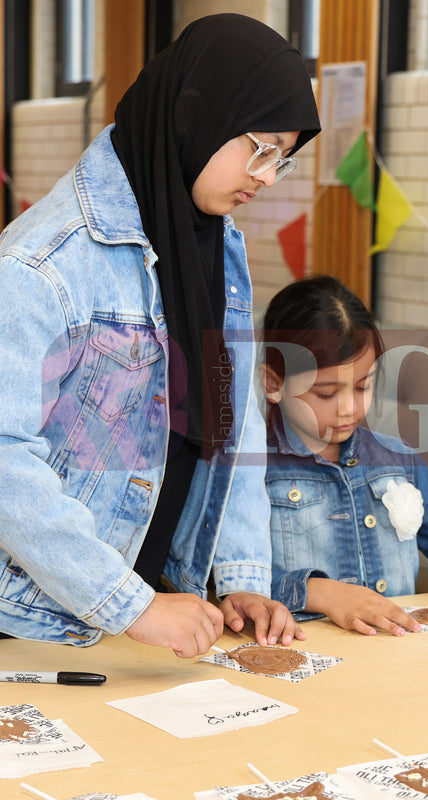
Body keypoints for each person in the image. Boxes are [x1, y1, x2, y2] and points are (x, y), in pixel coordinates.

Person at [0, 14, 320, 655]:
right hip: (37, 619)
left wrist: (242, 576)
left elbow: (234, 421)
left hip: (154, 604)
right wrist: (130, 603)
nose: (266, 175)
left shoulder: (215, 242)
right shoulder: (44, 262)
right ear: (196, 114)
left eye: (282, 160)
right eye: (260, 148)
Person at [260, 276, 428, 636]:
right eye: (325, 393)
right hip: (305, 655)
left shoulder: (397, 460)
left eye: (362, 386)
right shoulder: (250, 472)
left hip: (396, 659)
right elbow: (228, 583)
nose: (348, 408)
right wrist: (319, 593)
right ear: (273, 384)